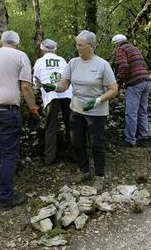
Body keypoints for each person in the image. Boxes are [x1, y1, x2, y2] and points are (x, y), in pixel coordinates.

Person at [43, 30, 118, 191]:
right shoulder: (73, 63)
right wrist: (54, 87)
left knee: (96, 144)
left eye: (80, 45)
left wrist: (97, 100)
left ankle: (100, 177)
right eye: (76, 44)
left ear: (91, 46)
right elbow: (64, 84)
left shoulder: (102, 65)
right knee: (77, 142)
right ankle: (84, 171)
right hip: (76, 109)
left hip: (96, 112)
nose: (77, 47)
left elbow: (113, 89)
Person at [0, 30, 39, 208]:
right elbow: (26, 87)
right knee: (8, 154)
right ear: (17, 43)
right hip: (6, 109)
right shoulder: (20, 56)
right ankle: (5, 197)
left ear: (2, 41)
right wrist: (33, 110)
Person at [33, 39, 72, 165]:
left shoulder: (39, 61)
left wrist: (40, 87)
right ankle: (75, 154)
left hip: (51, 95)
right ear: (55, 49)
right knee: (70, 124)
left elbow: (36, 81)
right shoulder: (62, 60)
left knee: (51, 126)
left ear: (42, 49)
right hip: (67, 92)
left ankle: (49, 157)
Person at [111, 34, 151, 147]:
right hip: (146, 81)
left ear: (116, 44)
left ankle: (130, 139)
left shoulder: (121, 49)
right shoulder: (135, 48)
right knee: (142, 110)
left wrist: (118, 83)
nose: (114, 48)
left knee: (131, 112)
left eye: (114, 46)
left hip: (135, 83)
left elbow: (123, 67)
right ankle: (144, 136)